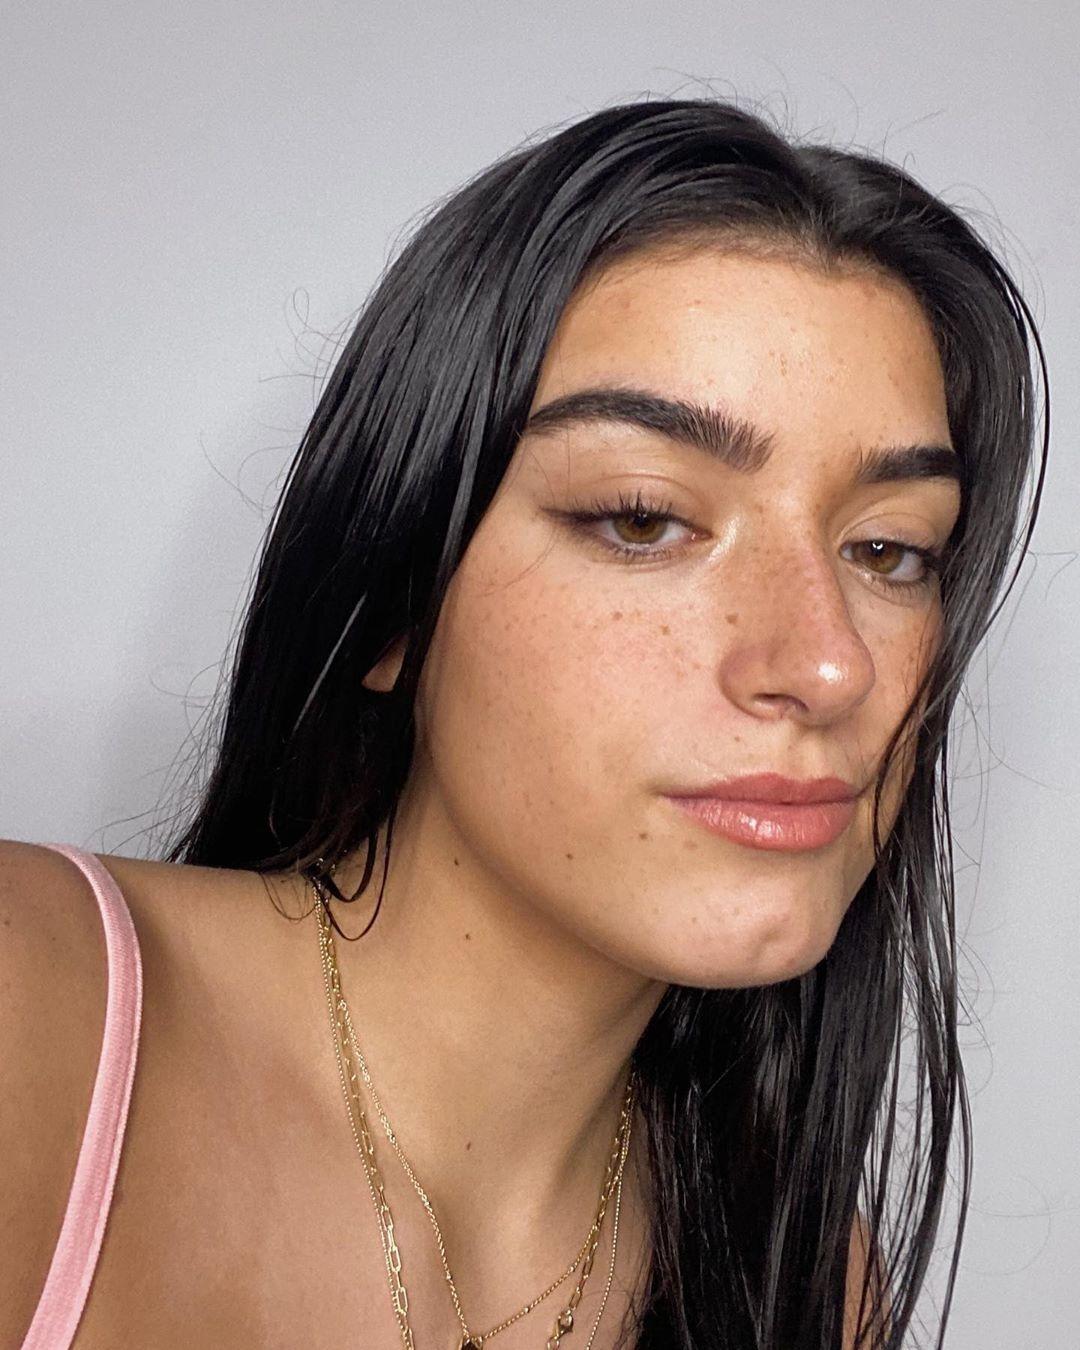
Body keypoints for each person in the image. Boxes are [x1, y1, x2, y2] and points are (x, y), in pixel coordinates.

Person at [1, 96, 1048, 1350]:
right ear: (393, 599)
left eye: (890, 550)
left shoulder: (808, 1288)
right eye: (644, 518)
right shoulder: (31, 1016)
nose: (828, 664)